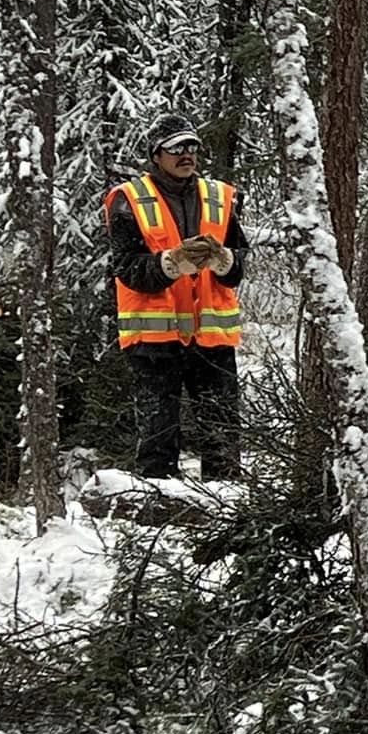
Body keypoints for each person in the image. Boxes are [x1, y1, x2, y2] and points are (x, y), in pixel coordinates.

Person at [106, 114, 250, 478]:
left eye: (192, 147)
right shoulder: (128, 201)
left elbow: (239, 266)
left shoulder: (221, 197)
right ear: (157, 154)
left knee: (223, 435)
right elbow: (125, 267)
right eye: (176, 148)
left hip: (212, 337)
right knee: (158, 438)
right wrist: (170, 264)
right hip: (154, 339)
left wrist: (223, 260)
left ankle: (227, 511)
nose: (187, 155)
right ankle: (156, 516)